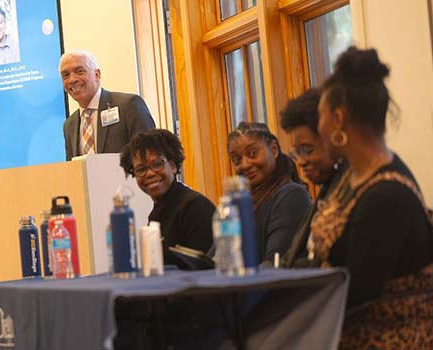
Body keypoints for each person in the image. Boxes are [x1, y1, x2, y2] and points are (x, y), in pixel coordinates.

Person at [309, 46, 433, 348]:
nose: (318, 128)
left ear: (338, 119)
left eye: (319, 117)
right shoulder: (351, 176)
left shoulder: (386, 196)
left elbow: (357, 292)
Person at [119, 129, 214, 268]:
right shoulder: (156, 213)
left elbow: (203, 269)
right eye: (141, 169)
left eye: (157, 164)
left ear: (173, 166)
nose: (150, 173)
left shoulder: (195, 207)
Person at [278, 88, 347, 267]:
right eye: (297, 152)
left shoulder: (354, 187)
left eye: (308, 150)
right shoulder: (330, 187)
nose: (300, 161)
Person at [226, 122, 311, 265]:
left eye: (252, 154)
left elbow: (274, 264)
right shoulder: (241, 202)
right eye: (237, 160)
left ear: (274, 149)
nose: (245, 164)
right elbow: (216, 257)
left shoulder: (292, 195)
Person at [60, 50, 155, 161]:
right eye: (65, 75)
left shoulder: (128, 106)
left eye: (80, 71)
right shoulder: (69, 125)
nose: (72, 79)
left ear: (97, 75)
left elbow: (151, 155)